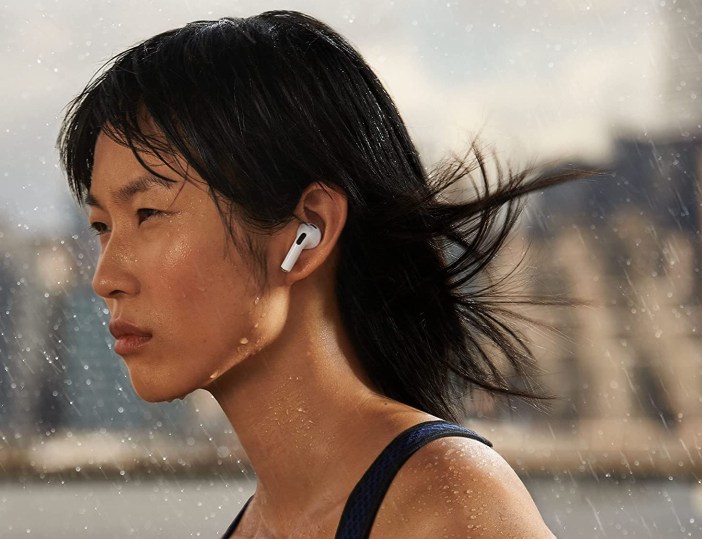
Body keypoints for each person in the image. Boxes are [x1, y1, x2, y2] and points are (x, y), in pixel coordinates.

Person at [57, 10, 577, 538]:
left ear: (306, 232)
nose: (106, 278)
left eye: (148, 214)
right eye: (102, 225)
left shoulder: (449, 507)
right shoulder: (262, 524)